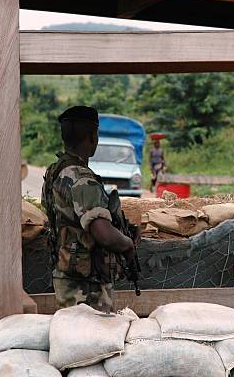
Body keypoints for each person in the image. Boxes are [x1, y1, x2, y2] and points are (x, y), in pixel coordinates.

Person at [42, 106, 138, 312]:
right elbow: (103, 233)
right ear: (92, 138)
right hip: (87, 286)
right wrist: (127, 244)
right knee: (94, 339)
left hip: (68, 276)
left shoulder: (55, 171)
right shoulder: (82, 179)